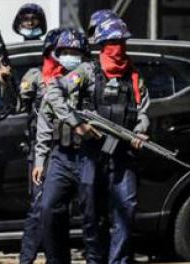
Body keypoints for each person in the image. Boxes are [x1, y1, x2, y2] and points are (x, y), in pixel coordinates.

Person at [45, 18, 151, 264]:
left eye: (122, 42)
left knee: (127, 211)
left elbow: (144, 110)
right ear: (102, 44)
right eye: (113, 42)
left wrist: (141, 130)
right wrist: (77, 123)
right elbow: (54, 91)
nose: (118, 48)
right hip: (92, 156)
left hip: (123, 156)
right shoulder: (87, 71)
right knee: (93, 217)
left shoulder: (134, 76)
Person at [37, 29, 92, 264]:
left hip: (89, 155)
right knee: (49, 210)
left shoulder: (90, 74)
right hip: (61, 155)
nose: (70, 56)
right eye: (65, 52)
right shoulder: (55, 83)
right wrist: (40, 160)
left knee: (92, 216)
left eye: (75, 52)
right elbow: (44, 122)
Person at [15, 28, 64, 264]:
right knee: (39, 208)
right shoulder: (35, 76)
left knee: (58, 211)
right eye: (58, 50)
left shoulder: (77, 76)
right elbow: (15, 108)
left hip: (69, 149)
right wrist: (5, 81)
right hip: (42, 148)